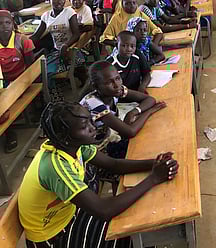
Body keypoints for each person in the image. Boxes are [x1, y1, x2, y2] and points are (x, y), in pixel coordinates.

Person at [18, 101, 177, 248]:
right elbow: (104, 209)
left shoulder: (75, 146)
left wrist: (154, 164)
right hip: (53, 237)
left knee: (134, 220)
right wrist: (154, 178)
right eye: (83, 126)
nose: (92, 128)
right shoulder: (55, 166)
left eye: (89, 120)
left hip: (70, 215)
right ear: (64, 136)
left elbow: (114, 165)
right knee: (126, 236)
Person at [80, 60, 165, 157]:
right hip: (96, 150)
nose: (116, 85)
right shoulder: (93, 103)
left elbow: (150, 99)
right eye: (109, 82)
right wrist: (149, 111)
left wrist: (133, 112)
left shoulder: (115, 90)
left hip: (109, 134)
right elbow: (130, 132)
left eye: (117, 78)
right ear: (96, 86)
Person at [30, 0, 81, 100]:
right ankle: (49, 97)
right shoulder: (46, 16)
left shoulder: (69, 12)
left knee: (45, 73)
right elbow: (36, 36)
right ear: (49, 0)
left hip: (72, 54)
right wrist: (21, 41)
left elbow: (76, 34)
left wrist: (66, 45)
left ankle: (55, 100)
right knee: (38, 71)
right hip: (57, 53)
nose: (59, 1)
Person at [0, 10, 35, 153]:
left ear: (13, 24)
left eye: (7, 23)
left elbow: (31, 67)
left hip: (21, 80)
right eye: (0, 23)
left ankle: (9, 132)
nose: (4, 26)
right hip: (4, 81)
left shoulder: (22, 41)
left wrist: (21, 84)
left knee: (5, 106)